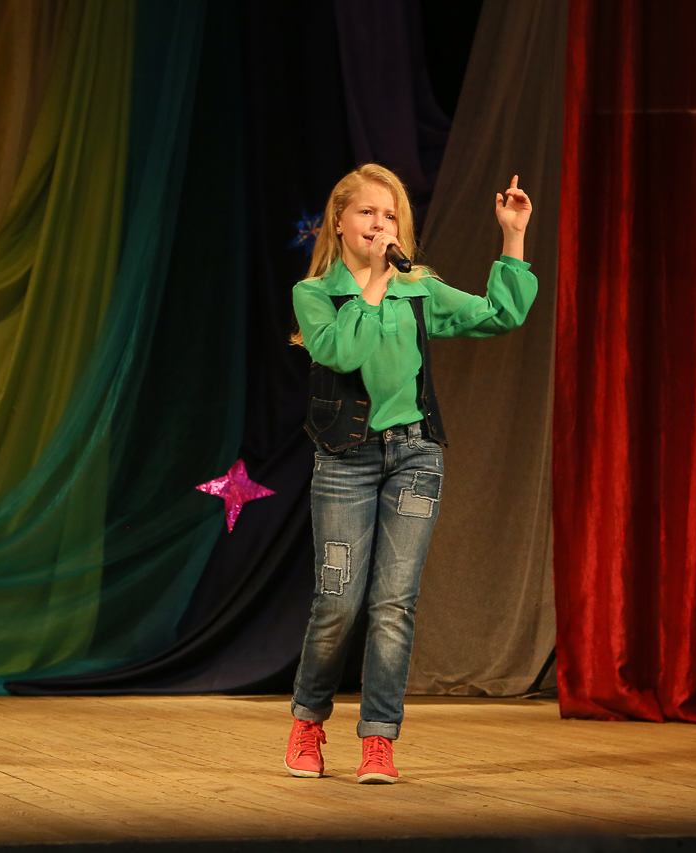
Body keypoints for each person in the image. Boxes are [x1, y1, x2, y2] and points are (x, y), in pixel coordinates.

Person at [286, 163, 534, 783]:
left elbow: (500, 314)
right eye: (367, 212)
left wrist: (512, 236)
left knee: (394, 605)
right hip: (345, 463)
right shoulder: (314, 295)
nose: (380, 223)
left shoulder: (417, 288)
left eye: (390, 214)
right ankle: (309, 721)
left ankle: (378, 739)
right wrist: (375, 280)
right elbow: (343, 352)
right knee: (337, 603)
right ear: (339, 222)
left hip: (414, 457)